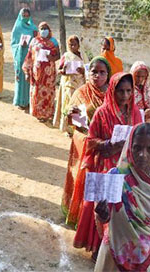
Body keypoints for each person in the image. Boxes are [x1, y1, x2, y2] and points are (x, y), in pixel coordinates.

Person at [73, 72, 143, 261]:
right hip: (105, 166)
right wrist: (108, 145)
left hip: (127, 169)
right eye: (121, 91)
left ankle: (118, 249)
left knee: (122, 210)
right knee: (102, 208)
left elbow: (142, 139)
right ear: (113, 91)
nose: (125, 96)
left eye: (129, 91)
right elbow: (90, 141)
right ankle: (98, 248)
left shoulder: (136, 113)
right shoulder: (102, 112)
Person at [61, 57, 111, 227]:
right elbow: (71, 119)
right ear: (88, 73)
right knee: (82, 179)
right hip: (84, 142)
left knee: (98, 183)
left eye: (102, 72)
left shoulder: (113, 94)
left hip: (105, 145)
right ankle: (78, 214)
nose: (97, 75)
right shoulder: (81, 92)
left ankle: (91, 222)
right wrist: (71, 115)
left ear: (108, 74)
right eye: (94, 72)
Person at [94, 123, 150, 272]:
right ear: (129, 148)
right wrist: (101, 214)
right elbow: (101, 218)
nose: (142, 154)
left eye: (149, 149)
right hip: (114, 254)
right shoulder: (115, 176)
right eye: (137, 148)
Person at [22, 21, 60, 122]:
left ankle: (47, 114)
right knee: (36, 92)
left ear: (49, 30)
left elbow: (58, 55)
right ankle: (38, 113)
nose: (44, 31)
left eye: (45, 28)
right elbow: (29, 56)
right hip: (36, 73)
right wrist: (26, 72)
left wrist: (52, 57)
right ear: (38, 30)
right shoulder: (34, 41)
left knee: (48, 93)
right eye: (41, 29)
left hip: (49, 74)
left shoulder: (53, 42)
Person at [53, 35, 87, 132]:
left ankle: (78, 127)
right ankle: (68, 128)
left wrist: (83, 71)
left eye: (74, 45)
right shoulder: (66, 56)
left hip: (80, 85)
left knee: (80, 106)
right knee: (69, 105)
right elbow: (59, 70)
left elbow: (89, 69)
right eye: (70, 45)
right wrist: (63, 71)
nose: (72, 47)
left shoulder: (83, 56)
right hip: (68, 85)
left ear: (78, 45)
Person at [11, 8, 37, 110]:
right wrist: (20, 45)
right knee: (21, 78)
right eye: (24, 16)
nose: (25, 18)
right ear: (20, 16)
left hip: (31, 57)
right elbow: (13, 44)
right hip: (21, 56)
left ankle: (30, 101)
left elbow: (37, 41)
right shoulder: (17, 28)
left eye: (27, 16)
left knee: (30, 78)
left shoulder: (33, 28)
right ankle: (20, 101)